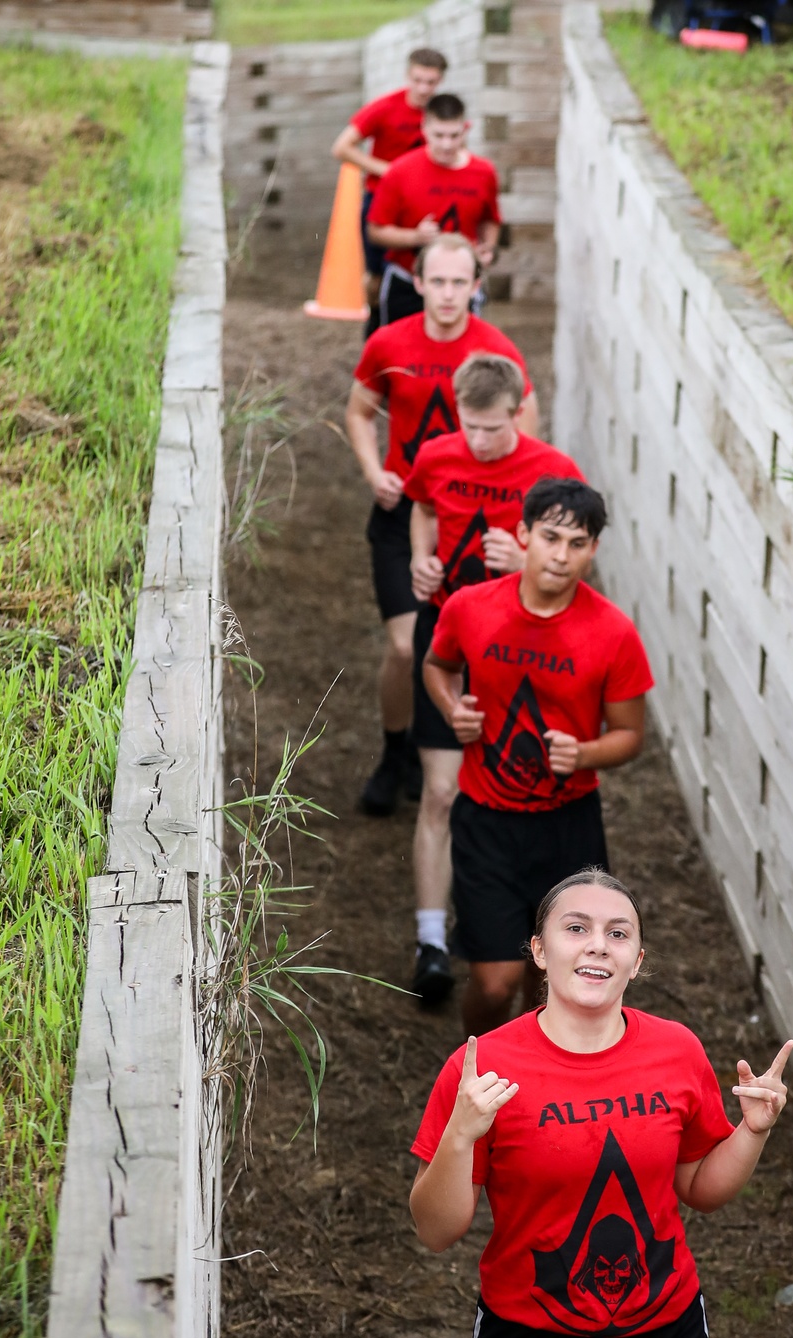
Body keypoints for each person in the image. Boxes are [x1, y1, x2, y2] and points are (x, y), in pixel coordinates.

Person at [410, 867, 793, 1338]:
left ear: (635, 962)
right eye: (576, 929)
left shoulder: (676, 1050)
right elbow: (436, 1232)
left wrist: (752, 1132)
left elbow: (700, 1191)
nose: (598, 946)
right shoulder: (481, 1068)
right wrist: (459, 1135)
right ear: (539, 951)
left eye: (617, 933)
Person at [423, 477, 653, 1036]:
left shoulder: (614, 633)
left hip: (568, 825)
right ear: (523, 534)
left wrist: (585, 753)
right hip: (485, 819)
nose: (561, 555)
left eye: (578, 543)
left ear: (593, 549)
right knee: (496, 981)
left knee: (550, 981)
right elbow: (437, 665)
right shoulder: (470, 607)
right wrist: (454, 709)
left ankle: (530, 1079)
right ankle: (471, 1065)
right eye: (550, 537)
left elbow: (630, 735)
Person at [402, 355, 586, 1007]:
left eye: (493, 429)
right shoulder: (437, 455)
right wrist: (422, 558)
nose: (479, 442)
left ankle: (526, 950)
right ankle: (431, 939)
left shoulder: (554, 471)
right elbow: (422, 507)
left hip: (522, 646)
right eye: (470, 427)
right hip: (450, 630)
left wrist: (526, 560)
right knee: (442, 791)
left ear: (518, 413)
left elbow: (580, 562)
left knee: (517, 791)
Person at [346, 235, 538, 819]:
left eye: (461, 282)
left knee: (462, 648)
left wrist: (518, 533)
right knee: (406, 646)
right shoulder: (388, 342)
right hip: (404, 510)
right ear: (418, 283)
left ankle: (449, 763)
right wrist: (374, 470)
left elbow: (531, 446)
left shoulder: (498, 353)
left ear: (476, 286)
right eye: (439, 281)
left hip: (469, 521)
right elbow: (357, 411)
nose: (449, 294)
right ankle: (394, 750)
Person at [331, 48, 448, 338]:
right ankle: (375, 328)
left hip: (425, 204)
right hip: (382, 201)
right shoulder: (385, 108)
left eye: (431, 82)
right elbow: (342, 148)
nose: (423, 88)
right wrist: (388, 171)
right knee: (376, 274)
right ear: (408, 75)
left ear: (441, 81)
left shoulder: (440, 114)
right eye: (418, 80)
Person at [366, 93, 500, 327]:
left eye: (454, 135)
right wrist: (415, 237)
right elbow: (375, 231)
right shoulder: (400, 171)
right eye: (439, 135)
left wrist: (487, 249)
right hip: (407, 282)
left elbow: (491, 220)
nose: (446, 144)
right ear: (424, 129)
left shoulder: (484, 172)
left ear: (466, 129)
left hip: (459, 286)